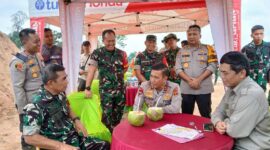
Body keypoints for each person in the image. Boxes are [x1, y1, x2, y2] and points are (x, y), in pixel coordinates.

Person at [22, 64, 110, 150]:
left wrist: (76, 120)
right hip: (59, 146)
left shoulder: (59, 93)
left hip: (75, 138)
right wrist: (60, 146)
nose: (67, 82)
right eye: (63, 79)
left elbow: (67, 106)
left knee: (105, 145)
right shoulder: (36, 105)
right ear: (51, 83)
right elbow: (29, 137)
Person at [211, 51, 270, 150]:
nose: (222, 77)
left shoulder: (251, 94)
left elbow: (234, 130)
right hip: (234, 142)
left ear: (242, 73)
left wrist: (223, 122)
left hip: (251, 147)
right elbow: (218, 111)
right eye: (220, 72)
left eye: (225, 73)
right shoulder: (233, 87)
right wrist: (217, 122)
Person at [85, 29, 128, 132]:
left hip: (120, 91)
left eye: (113, 40)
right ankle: (107, 138)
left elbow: (125, 68)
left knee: (118, 115)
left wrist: (117, 76)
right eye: (108, 41)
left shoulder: (122, 54)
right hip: (106, 91)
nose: (111, 43)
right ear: (103, 40)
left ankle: (116, 136)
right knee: (106, 116)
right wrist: (87, 88)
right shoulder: (97, 53)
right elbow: (91, 71)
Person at [9, 28, 44, 150]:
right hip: (29, 106)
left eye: (39, 41)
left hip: (41, 103)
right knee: (29, 138)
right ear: (25, 42)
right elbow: (18, 88)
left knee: (43, 136)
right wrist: (24, 111)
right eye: (35, 42)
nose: (39, 44)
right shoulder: (18, 61)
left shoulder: (36, 56)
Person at [175, 25, 218, 118]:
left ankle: (207, 133)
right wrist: (190, 81)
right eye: (189, 34)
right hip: (186, 89)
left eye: (194, 34)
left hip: (203, 89)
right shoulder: (181, 51)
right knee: (186, 116)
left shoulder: (209, 49)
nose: (191, 36)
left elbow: (213, 65)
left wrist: (198, 80)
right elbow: (178, 68)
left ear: (200, 35)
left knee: (206, 115)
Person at [241, 25, 270, 105]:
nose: (259, 36)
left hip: (263, 78)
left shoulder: (268, 46)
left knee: (261, 99)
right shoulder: (246, 49)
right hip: (250, 79)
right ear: (251, 35)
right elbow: (242, 65)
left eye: (261, 34)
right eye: (256, 34)